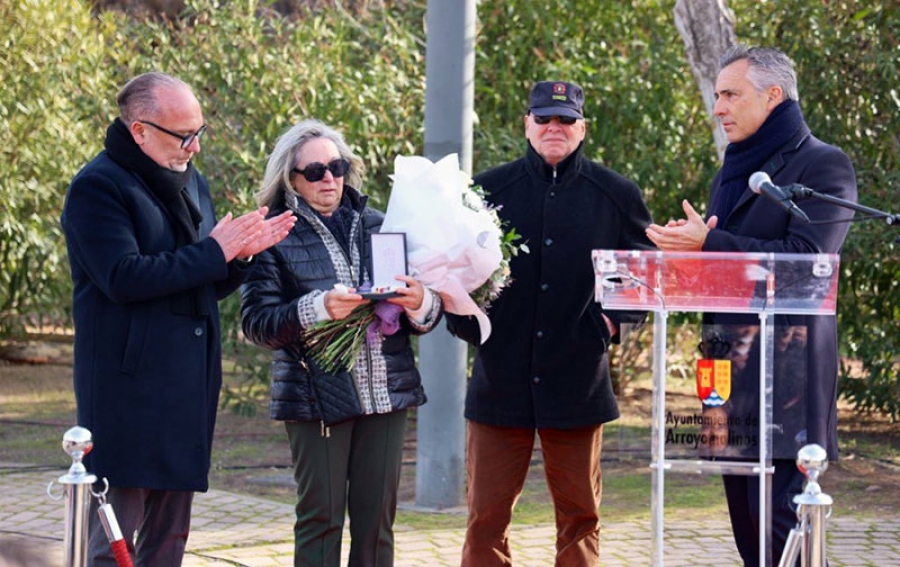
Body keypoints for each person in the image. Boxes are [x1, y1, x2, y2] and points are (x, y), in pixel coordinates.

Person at [60, 72, 296, 566]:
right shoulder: (97, 188)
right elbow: (122, 277)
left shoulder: (192, 181)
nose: (194, 147)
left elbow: (199, 282)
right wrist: (215, 252)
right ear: (140, 131)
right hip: (128, 391)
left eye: (199, 132)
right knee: (115, 541)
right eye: (183, 135)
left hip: (186, 387)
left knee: (170, 541)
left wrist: (240, 258)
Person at [645, 45, 857, 566]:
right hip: (725, 375)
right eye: (716, 95)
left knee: (786, 535)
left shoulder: (823, 164)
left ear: (773, 96)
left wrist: (710, 247)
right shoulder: (734, 171)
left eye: (730, 95)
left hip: (787, 379)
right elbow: (726, 269)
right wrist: (684, 256)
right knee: (747, 534)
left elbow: (809, 261)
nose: (718, 107)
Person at [446, 80, 655, 566]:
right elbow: (452, 269)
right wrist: (468, 324)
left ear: (582, 128)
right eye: (543, 119)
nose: (553, 128)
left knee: (581, 516)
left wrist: (610, 325)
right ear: (527, 124)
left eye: (565, 119)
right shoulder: (485, 191)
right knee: (485, 516)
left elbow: (643, 271)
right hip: (500, 379)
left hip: (578, 379)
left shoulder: (617, 193)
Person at [239, 118, 443, 567]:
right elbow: (256, 323)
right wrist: (317, 308)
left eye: (336, 166)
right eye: (314, 171)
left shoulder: (382, 225)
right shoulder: (273, 235)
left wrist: (421, 301)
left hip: (388, 395)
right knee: (322, 518)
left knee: (376, 523)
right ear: (291, 180)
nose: (328, 178)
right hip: (316, 397)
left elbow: (427, 315)